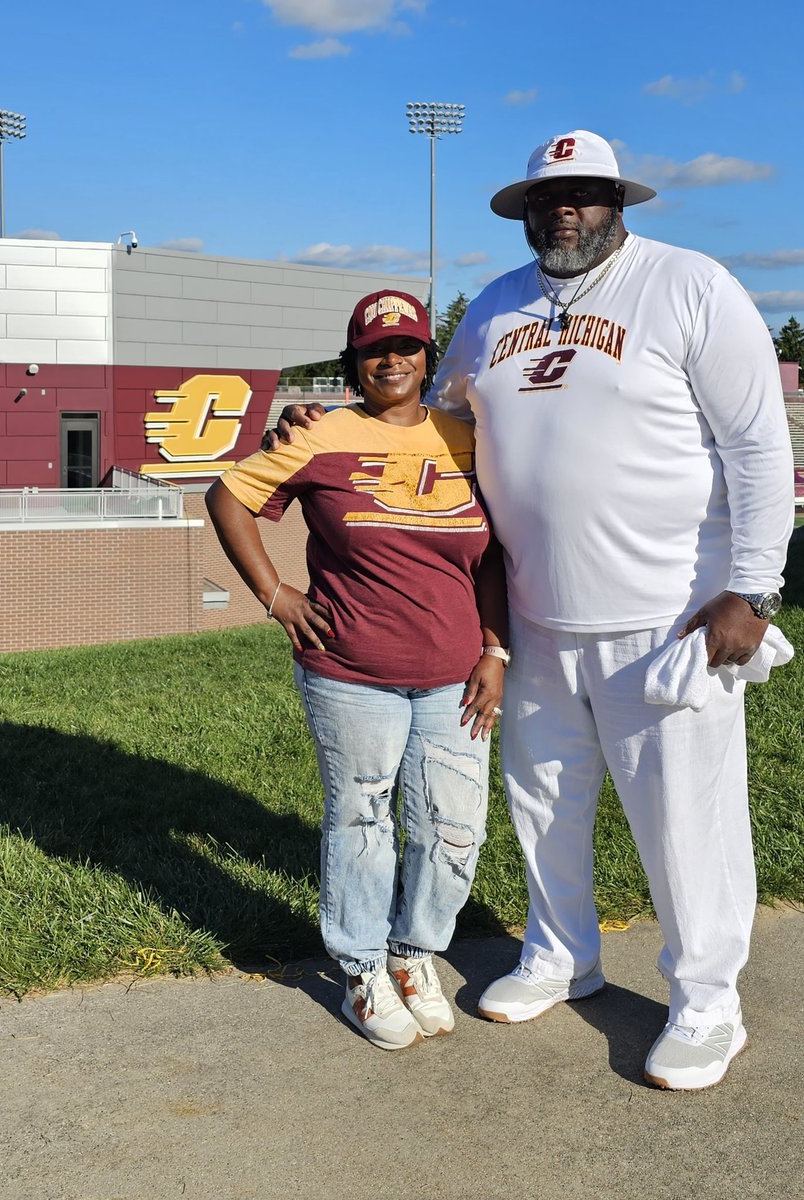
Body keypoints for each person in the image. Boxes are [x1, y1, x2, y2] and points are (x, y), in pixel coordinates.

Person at [275, 130, 794, 1090]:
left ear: (617, 201)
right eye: (548, 198)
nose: (565, 211)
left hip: (668, 612)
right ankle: (562, 955)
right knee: (544, 803)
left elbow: (757, 443)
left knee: (685, 821)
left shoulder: (688, 284)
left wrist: (754, 586)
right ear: (525, 209)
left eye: (585, 194)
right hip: (534, 613)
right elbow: (426, 423)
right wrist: (327, 424)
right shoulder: (498, 306)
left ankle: (706, 1003)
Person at [207, 289, 508, 1052]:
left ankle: (413, 955)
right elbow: (227, 496)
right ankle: (361, 969)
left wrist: (495, 651)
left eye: (405, 347)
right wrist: (276, 595)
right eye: (374, 350)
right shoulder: (321, 435)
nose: (391, 360)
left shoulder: (467, 437)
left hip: (454, 674)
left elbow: (495, 559)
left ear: (426, 358)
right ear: (353, 363)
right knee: (362, 818)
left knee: (453, 829)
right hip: (350, 672)